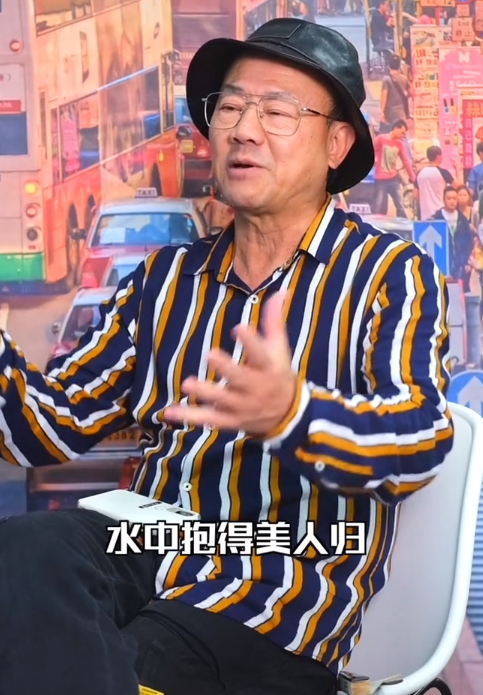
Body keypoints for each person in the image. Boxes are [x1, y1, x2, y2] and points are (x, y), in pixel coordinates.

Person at [0, 17, 453, 695]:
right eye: (232, 107)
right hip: (151, 545)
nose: (244, 130)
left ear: (336, 144)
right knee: (23, 552)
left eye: (277, 111)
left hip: (275, 588)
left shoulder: (389, 273)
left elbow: (420, 439)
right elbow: (44, 428)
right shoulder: (164, 281)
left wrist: (293, 414)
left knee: (125, 660)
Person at [432, 185, 474, 288]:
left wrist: (465, 263)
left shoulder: (463, 220)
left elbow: (468, 243)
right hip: (441, 271)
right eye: (449, 198)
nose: (452, 201)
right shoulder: (436, 219)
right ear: (443, 200)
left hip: (461, 269)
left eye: (454, 198)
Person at [373, 118, 415, 216]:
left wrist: (413, 177)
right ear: (396, 128)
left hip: (393, 178)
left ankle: (402, 224)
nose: (402, 135)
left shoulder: (399, 144)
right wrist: (375, 161)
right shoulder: (380, 139)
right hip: (380, 179)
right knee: (378, 206)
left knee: (400, 204)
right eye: (402, 132)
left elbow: (405, 160)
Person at [413, 145, 454, 221]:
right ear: (438, 157)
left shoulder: (420, 173)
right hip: (440, 213)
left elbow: (415, 195)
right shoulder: (443, 172)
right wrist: (457, 168)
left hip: (424, 214)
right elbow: (458, 186)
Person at [379, 54, 413, 134]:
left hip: (389, 114)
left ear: (389, 65)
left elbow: (384, 95)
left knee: (390, 135)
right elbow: (411, 92)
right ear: (399, 66)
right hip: (401, 113)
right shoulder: (404, 78)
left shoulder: (386, 79)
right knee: (401, 134)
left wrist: (382, 111)